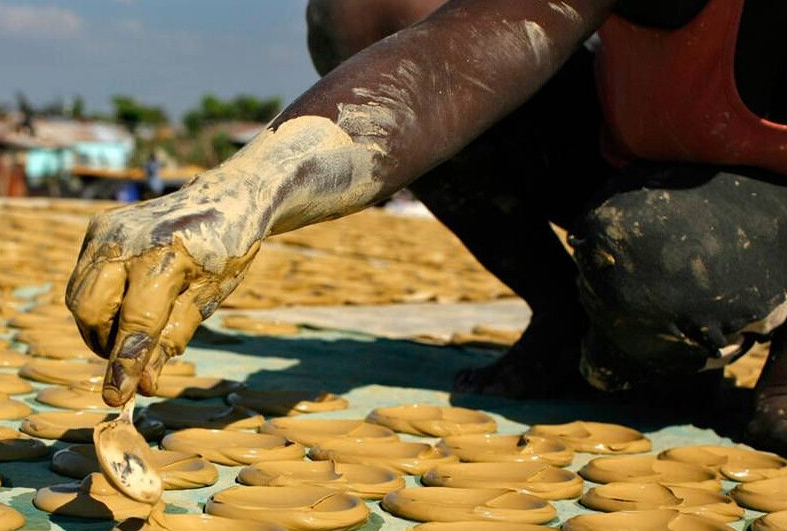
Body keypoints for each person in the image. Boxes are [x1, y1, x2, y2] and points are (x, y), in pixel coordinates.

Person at [66, 0, 787, 453]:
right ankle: (569, 319)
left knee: (657, 261)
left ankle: (682, 341)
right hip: (634, 144)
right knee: (367, 11)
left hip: (760, 199)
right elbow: (461, 59)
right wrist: (243, 192)